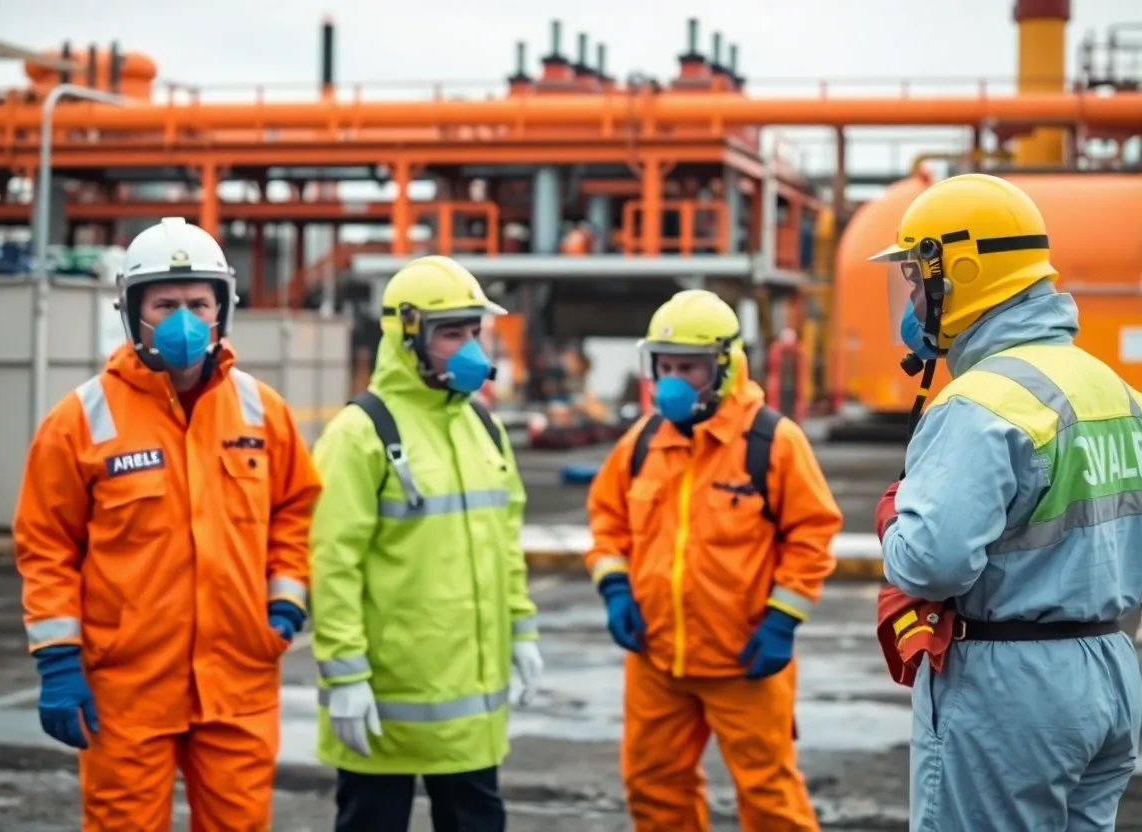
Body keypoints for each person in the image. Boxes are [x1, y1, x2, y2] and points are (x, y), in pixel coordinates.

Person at [12, 217, 323, 831]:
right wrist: (57, 660)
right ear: (133, 311)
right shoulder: (81, 420)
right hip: (128, 688)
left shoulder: (263, 411)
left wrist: (284, 606)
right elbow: (46, 545)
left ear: (222, 310)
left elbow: (296, 510)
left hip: (238, 680)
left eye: (198, 303)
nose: (185, 318)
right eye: (165, 304)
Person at [870, 172, 1142, 831]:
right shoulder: (1111, 388)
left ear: (956, 272)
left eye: (915, 275)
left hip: (1008, 688)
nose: (911, 296)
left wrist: (893, 521)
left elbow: (931, 565)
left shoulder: (978, 403)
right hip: (1108, 666)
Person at [584, 288, 842, 832]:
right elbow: (607, 520)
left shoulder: (773, 443)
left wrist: (781, 621)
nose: (673, 380)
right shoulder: (641, 443)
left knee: (770, 796)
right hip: (657, 660)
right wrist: (615, 589)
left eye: (689, 368)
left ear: (724, 366)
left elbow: (813, 533)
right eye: (666, 366)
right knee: (654, 790)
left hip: (743, 659)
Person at [308, 255, 543, 832]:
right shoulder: (360, 435)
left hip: (470, 716)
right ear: (407, 336)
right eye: (452, 334)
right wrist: (344, 676)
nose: (470, 349)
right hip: (383, 707)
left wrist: (523, 631)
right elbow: (332, 564)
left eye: (473, 332)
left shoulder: (483, 427)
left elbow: (505, 546)